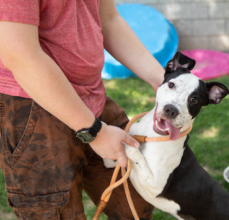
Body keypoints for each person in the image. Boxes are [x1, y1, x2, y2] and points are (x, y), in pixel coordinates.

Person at [0, 0, 165, 219]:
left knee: (135, 204)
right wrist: (93, 131)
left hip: (94, 99)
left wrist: (162, 80)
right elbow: (20, 55)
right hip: (33, 111)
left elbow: (109, 20)